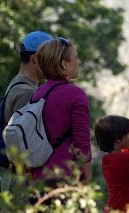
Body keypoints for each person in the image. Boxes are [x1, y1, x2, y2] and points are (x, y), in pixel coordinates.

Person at [31, 37, 92, 185]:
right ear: (64, 64)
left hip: (37, 177)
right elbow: (82, 142)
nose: (79, 62)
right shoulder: (75, 95)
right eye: (76, 57)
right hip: (65, 177)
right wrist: (87, 176)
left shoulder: (37, 93)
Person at [0, 31, 53, 192]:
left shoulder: (17, 83)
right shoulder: (27, 93)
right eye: (49, 58)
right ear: (36, 59)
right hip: (21, 183)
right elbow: (23, 143)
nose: (53, 63)